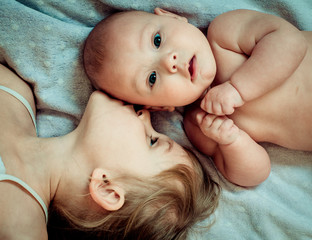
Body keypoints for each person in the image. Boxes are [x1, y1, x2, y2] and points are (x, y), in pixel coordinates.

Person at [83, 8, 312, 187]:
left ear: (174, 17)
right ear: (159, 106)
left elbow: (291, 41)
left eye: (157, 41)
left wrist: (238, 89)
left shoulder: (224, 35)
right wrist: (232, 142)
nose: (168, 61)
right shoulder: (200, 124)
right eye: (152, 78)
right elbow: (255, 175)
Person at [0, 63, 220, 240]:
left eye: (151, 140)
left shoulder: (20, 229)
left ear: (107, 188)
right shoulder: (15, 93)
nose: (145, 115)